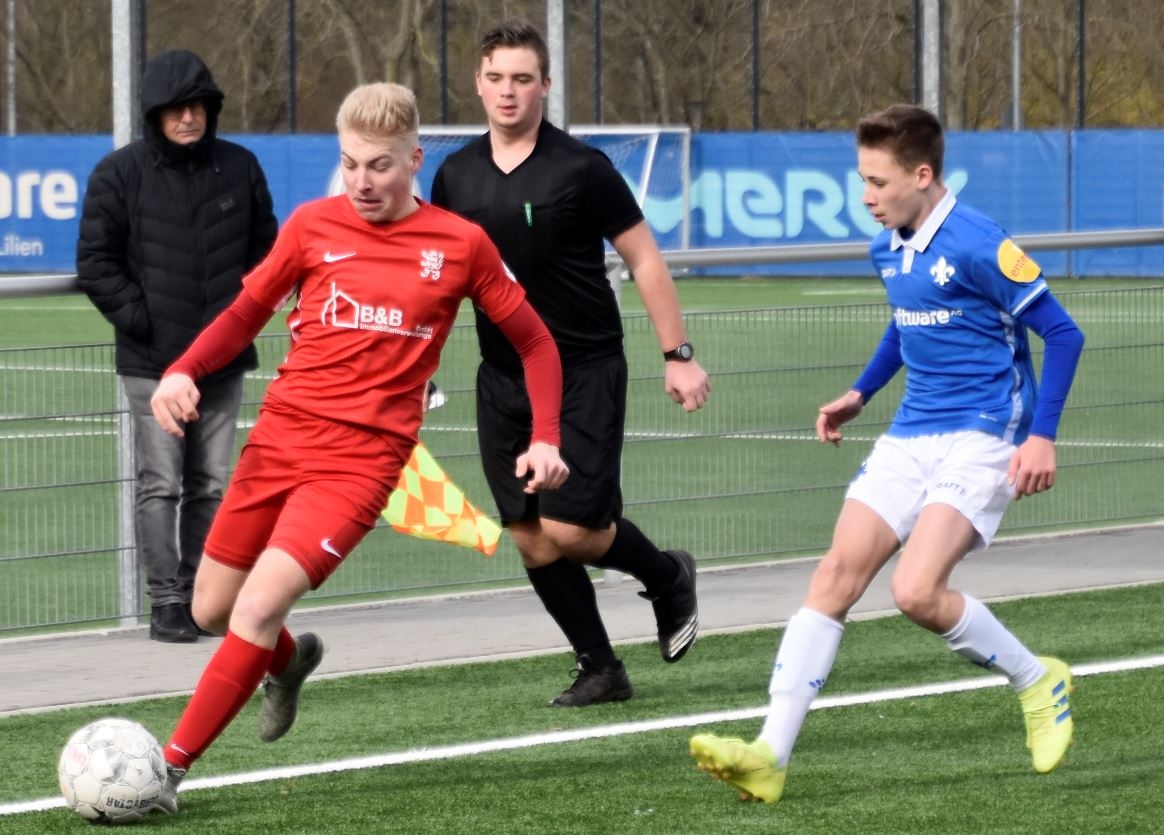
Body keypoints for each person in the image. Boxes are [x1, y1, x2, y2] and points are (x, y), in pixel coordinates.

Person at [146, 81, 569, 815]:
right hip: (279, 439)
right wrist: (184, 369)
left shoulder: (460, 244)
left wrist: (546, 437)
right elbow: (245, 312)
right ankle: (289, 662)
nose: (362, 182)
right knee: (213, 609)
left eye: (379, 166)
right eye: (349, 165)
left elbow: (536, 342)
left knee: (258, 606)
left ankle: (164, 771)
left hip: (361, 464)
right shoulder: (311, 226)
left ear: (414, 159)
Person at [689, 104, 1086, 803]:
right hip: (909, 434)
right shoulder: (886, 247)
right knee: (834, 576)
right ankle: (769, 755)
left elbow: (1064, 334)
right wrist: (860, 392)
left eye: (878, 182)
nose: (866, 196)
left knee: (916, 592)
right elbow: (906, 325)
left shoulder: (979, 242)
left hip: (984, 435)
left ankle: (1036, 679)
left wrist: (1041, 436)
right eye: (862, 181)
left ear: (922, 175)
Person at [431, 19, 712, 707]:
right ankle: (601, 667)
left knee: (572, 529)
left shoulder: (583, 168)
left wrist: (677, 355)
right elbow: (435, 282)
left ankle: (667, 575)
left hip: (584, 368)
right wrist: (416, 366)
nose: (508, 91)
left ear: (545, 86)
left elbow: (646, 259)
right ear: (478, 83)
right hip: (502, 377)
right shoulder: (454, 176)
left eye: (522, 79)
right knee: (530, 535)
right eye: (496, 77)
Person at [76, 49, 278, 643]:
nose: (187, 117)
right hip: (152, 364)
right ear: (154, 115)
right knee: (160, 484)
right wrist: (146, 324)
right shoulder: (119, 173)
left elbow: (267, 255)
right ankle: (166, 602)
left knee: (210, 484)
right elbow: (96, 263)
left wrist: (236, 325)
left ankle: (201, 600)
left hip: (223, 362)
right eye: (173, 109)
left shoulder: (241, 167)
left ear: (211, 108)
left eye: (197, 106)